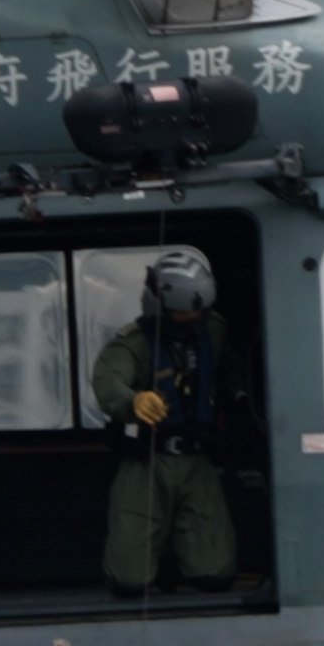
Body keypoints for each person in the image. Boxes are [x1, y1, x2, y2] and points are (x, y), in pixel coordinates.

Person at [91, 247, 240, 594]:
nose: (192, 318)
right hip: (147, 460)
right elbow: (108, 381)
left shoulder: (213, 332)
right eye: (184, 312)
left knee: (214, 572)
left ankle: (180, 566)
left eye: (198, 311)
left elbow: (234, 372)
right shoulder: (134, 343)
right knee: (128, 578)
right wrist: (133, 400)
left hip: (197, 459)